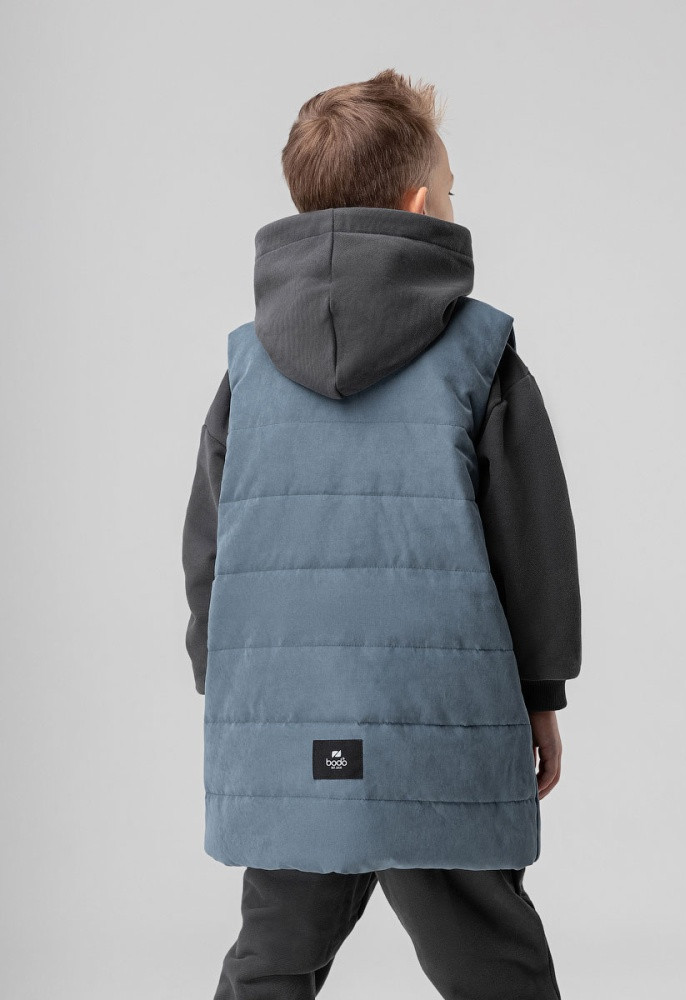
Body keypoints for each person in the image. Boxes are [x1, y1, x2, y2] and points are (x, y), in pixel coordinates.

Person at [182, 68, 581, 1000]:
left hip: (288, 722)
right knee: (492, 960)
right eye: (450, 189)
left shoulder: (248, 369)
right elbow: (530, 542)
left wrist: (227, 681)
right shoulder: (479, 354)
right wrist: (539, 692)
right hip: (437, 719)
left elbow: (210, 550)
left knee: (274, 957)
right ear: (418, 206)